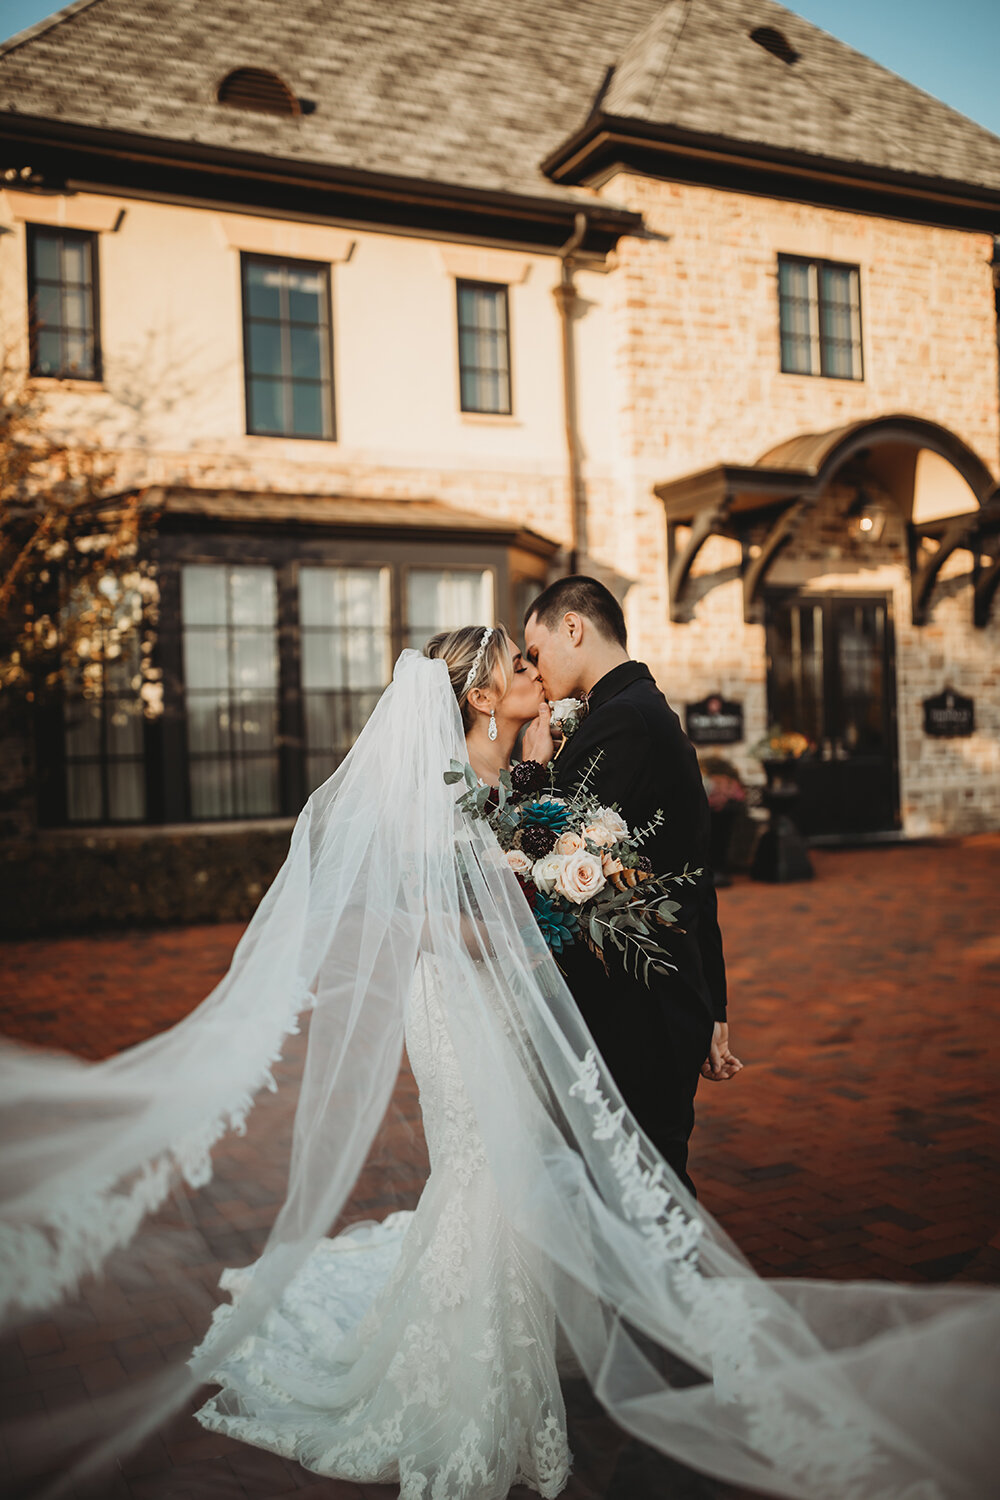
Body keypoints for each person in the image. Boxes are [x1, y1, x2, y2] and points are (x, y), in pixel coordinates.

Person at [1, 630, 997, 1500]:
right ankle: (464, 1389)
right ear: (479, 694)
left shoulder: (509, 775)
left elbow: (517, 872)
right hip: (456, 1005)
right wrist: (546, 905)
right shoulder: (442, 791)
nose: (534, 671)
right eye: (517, 665)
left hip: (494, 999)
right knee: (484, 1168)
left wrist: (561, 877)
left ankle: (519, 1346)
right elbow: (428, 919)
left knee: (513, 1165)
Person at [523, 577, 741, 1192]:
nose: (535, 674)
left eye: (535, 654)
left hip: (639, 1006)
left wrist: (536, 772)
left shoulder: (623, 723)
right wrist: (714, 1002)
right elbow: (695, 875)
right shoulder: (645, 710)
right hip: (664, 995)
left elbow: (555, 861)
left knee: (644, 1188)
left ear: (573, 628)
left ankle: (673, 1291)